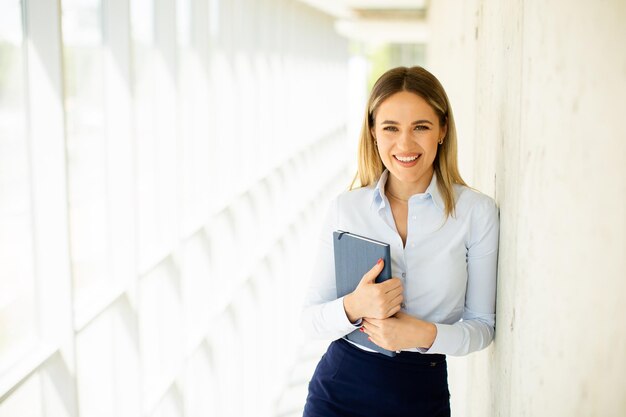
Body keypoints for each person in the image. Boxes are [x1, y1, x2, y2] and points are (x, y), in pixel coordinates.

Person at [299, 66, 500, 417]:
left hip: (420, 395)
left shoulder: (475, 213)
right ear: (373, 133)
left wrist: (422, 334)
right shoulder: (346, 209)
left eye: (420, 127)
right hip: (339, 389)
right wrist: (354, 306)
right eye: (390, 128)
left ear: (442, 130)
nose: (405, 144)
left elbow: (482, 327)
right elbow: (310, 320)